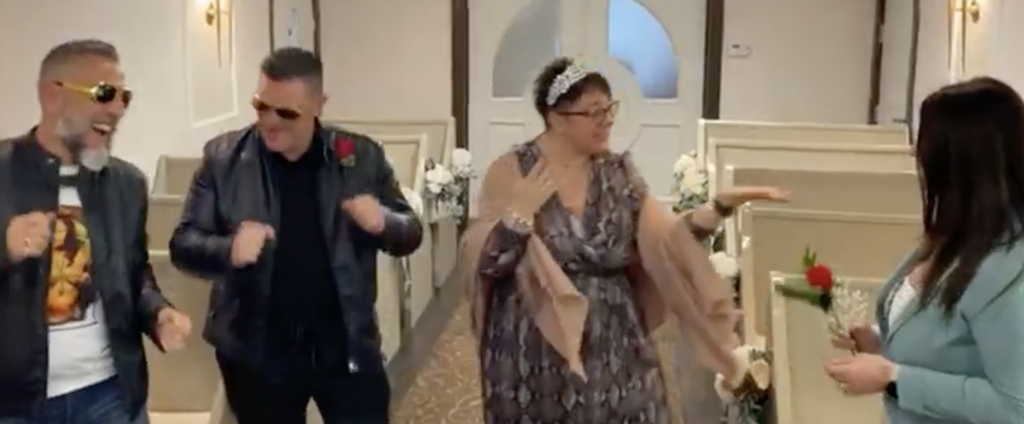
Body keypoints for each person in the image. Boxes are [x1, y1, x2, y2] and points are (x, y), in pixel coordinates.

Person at [458, 57, 790, 423]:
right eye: (593, 111)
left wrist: (719, 207)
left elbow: (667, 240)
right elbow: (486, 263)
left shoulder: (617, 173)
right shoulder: (512, 171)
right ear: (557, 118)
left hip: (614, 341)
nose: (607, 120)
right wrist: (518, 216)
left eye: (609, 108)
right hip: (534, 345)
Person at [168, 47, 423, 424]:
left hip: (345, 347)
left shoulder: (360, 157)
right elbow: (183, 244)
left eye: (286, 112)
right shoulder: (224, 159)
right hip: (258, 354)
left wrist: (383, 222)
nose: (269, 121)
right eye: (261, 106)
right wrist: (229, 250)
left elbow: (410, 232)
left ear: (319, 105)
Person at [0, 39, 192, 424]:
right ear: (53, 95)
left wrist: (158, 313)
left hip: (111, 395)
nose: (117, 109)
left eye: (124, 97)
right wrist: (4, 246)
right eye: (104, 94)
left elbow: (135, 275)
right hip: (15, 403)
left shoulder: (127, 184)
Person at [825, 77, 1024, 423]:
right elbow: (951, 349)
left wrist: (894, 379)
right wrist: (879, 344)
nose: (915, 155)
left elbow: (1015, 407)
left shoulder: (1006, 269)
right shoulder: (954, 237)